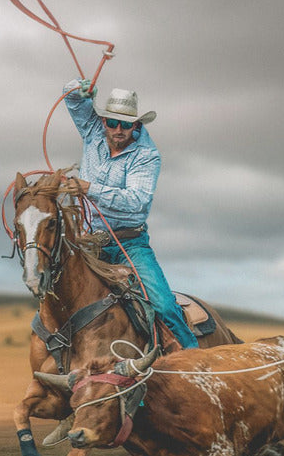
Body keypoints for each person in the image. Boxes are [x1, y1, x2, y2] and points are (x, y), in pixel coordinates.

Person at [63, 78, 198, 350]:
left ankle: (193, 360)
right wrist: (78, 88)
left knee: (163, 305)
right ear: (104, 121)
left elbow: (137, 201)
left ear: (136, 125)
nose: (118, 129)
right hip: (88, 242)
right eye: (113, 122)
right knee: (58, 295)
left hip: (129, 244)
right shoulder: (93, 131)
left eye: (125, 124)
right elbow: (72, 100)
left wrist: (90, 189)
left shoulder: (147, 156)